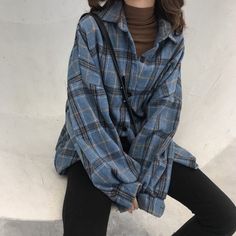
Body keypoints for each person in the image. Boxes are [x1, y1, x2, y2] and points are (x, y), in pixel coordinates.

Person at [54, 0, 236, 235]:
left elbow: (165, 113)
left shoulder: (172, 38)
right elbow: (85, 113)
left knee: (223, 216)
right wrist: (120, 180)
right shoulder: (91, 28)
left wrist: (137, 174)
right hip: (93, 148)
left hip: (144, 144)